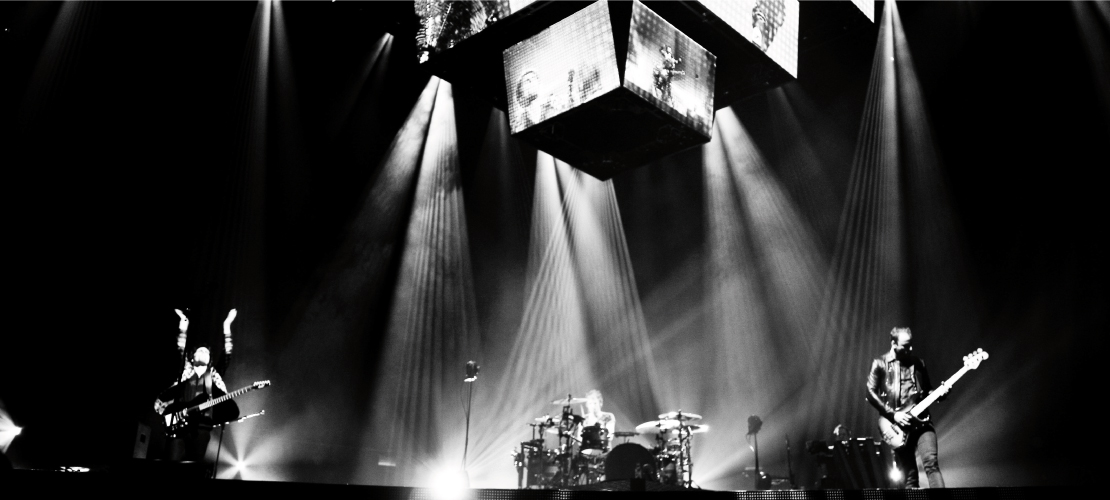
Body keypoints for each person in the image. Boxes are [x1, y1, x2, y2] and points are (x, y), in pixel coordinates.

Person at [866, 327, 948, 488]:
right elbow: (869, 392)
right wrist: (893, 415)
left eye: (911, 345)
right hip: (897, 425)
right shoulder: (880, 363)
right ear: (893, 343)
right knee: (909, 476)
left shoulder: (918, 363)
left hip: (922, 422)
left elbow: (927, 391)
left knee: (931, 464)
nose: (910, 349)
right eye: (905, 346)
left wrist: (942, 393)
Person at [154, 308, 239, 462]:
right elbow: (181, 348)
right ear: (192, 358)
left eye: (206, 352)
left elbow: (227, 354)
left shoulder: (213, 375)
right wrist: (183, 326)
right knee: (172, 462)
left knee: (193, 465)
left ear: (210, 359)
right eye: (199, 351)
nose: (203, 353)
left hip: (202, 426)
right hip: (179, 424)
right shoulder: (186, 371)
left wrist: (227, 326)